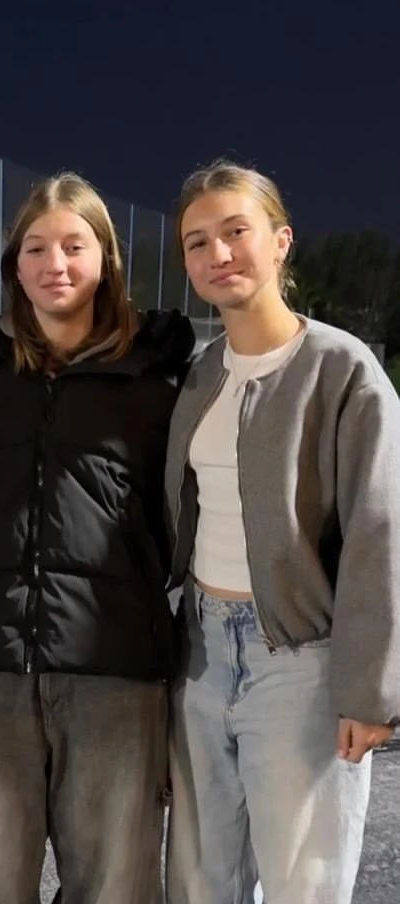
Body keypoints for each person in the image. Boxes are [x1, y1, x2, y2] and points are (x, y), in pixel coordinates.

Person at [0, 172, 194, 904]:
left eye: (74, 245)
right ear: (13, 265)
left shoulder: (154, 380)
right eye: (36, 248)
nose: (55, 264)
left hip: (113, 669)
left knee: (114, 884)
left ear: (105, 259)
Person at [164, 159, 400, 904]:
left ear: (280, 242)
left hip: (298, 663)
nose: (217, 254)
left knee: (303, 882)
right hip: (200, 656)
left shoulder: (341, 369)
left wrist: (369, 688)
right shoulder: (202, 371)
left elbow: (377, 531)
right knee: (203, 879)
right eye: (197, 242)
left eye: (236, 232)